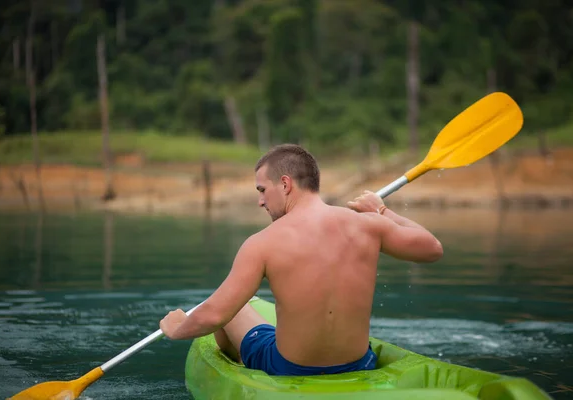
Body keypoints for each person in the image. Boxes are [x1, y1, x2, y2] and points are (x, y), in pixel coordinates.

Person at [159, 143, 443, 376]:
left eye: (262, 190)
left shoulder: (262, 243)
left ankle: (242, 371)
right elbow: (432, 249)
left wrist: (177, 328)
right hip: (359, 364)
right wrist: (382, 211)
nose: (260, 201)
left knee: (235, 308)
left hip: (290, 368)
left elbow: (215, 314)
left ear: (284, 184)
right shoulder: (369, 225)